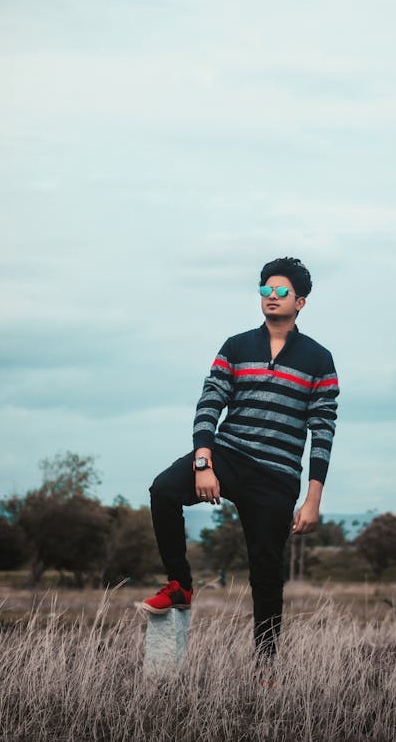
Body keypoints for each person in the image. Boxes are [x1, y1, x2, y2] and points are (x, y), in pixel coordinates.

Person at [142, 257, 339, 662]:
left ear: (300, 301)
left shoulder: (319, 359)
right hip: (228, 455)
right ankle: (179, 585)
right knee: (163, 490)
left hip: (276, 476)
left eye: (280, 291)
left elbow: (323, 430)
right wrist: (203, 462)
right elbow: (209, 402)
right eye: (265, 289)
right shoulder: (236, 346)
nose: (271, 296)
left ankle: (265, 666)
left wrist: (313, 497)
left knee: (266, 576)